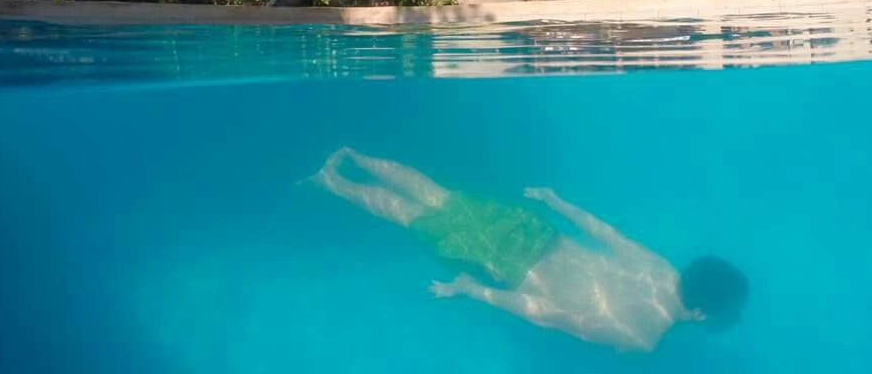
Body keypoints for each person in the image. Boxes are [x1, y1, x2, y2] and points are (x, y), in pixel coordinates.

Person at [304, 147, 748, 352]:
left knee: (441, 198)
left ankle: (352, 156)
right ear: (702, 314)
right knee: (412, 218)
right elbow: (547, 314)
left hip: (536, 232)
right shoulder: (643, 337)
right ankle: (331, 181)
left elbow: (607, 233)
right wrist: (469, 289)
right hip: (509, 262)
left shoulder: (661, 268)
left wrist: (557, 203)